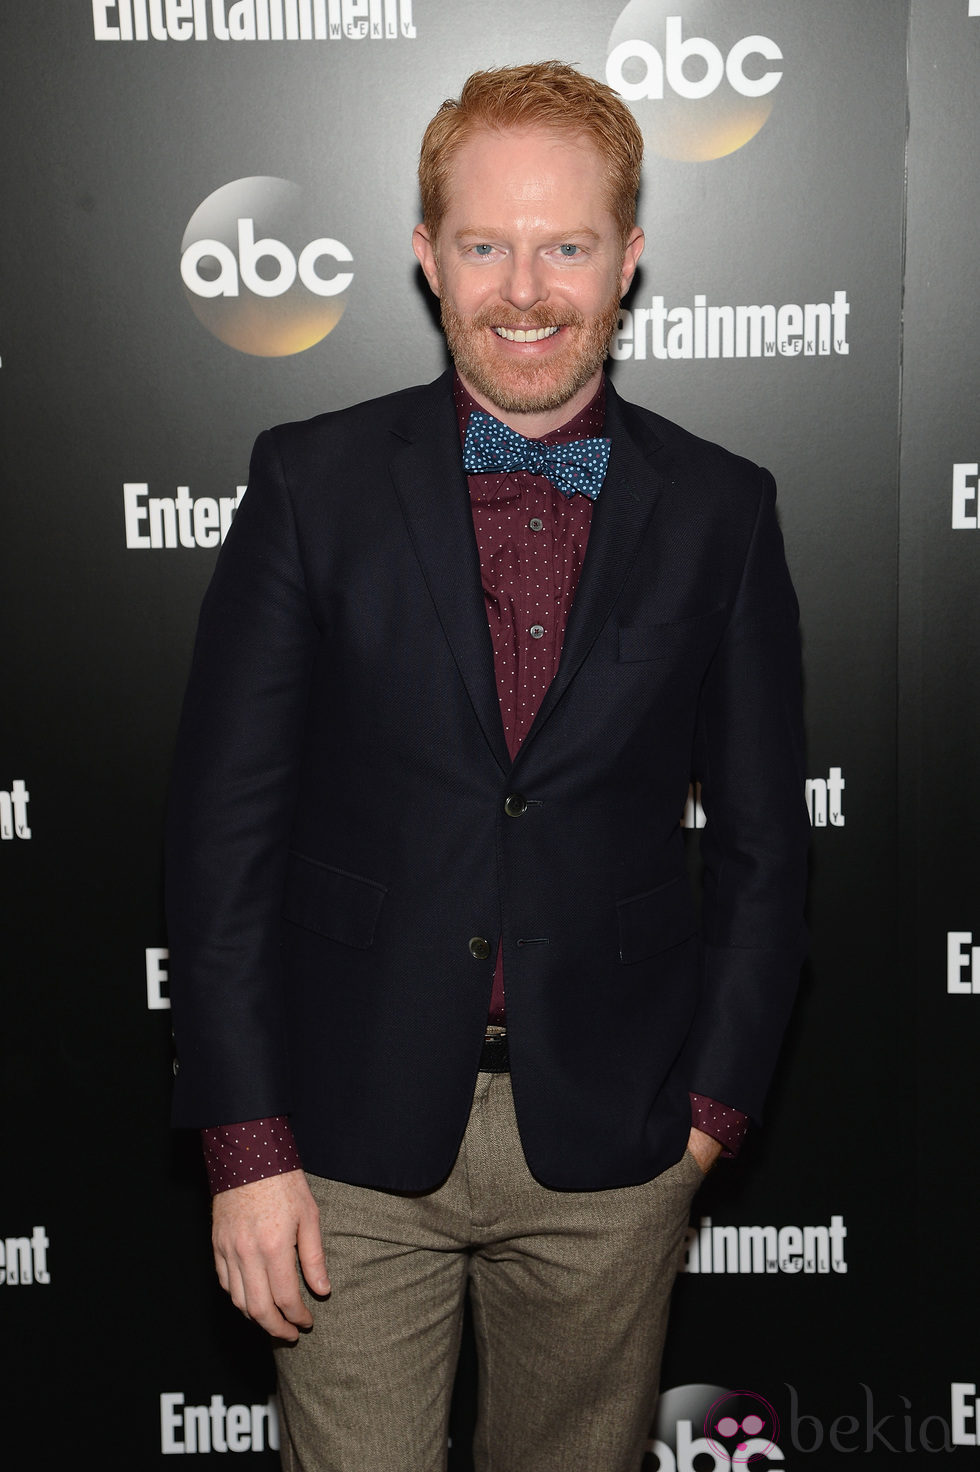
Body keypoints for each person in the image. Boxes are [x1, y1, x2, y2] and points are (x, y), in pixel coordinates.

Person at [166, 60, 809, 1472]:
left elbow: (768, 849)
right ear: (424, 258)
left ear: (629, 259)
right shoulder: (309, 485)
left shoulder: (721, 510)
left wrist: (707, 1120)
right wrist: (244, 1144)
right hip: (342, 1132)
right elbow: (222, 840)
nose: (526, 290)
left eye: (568, 245)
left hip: (617, 1142)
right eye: (486, 245)